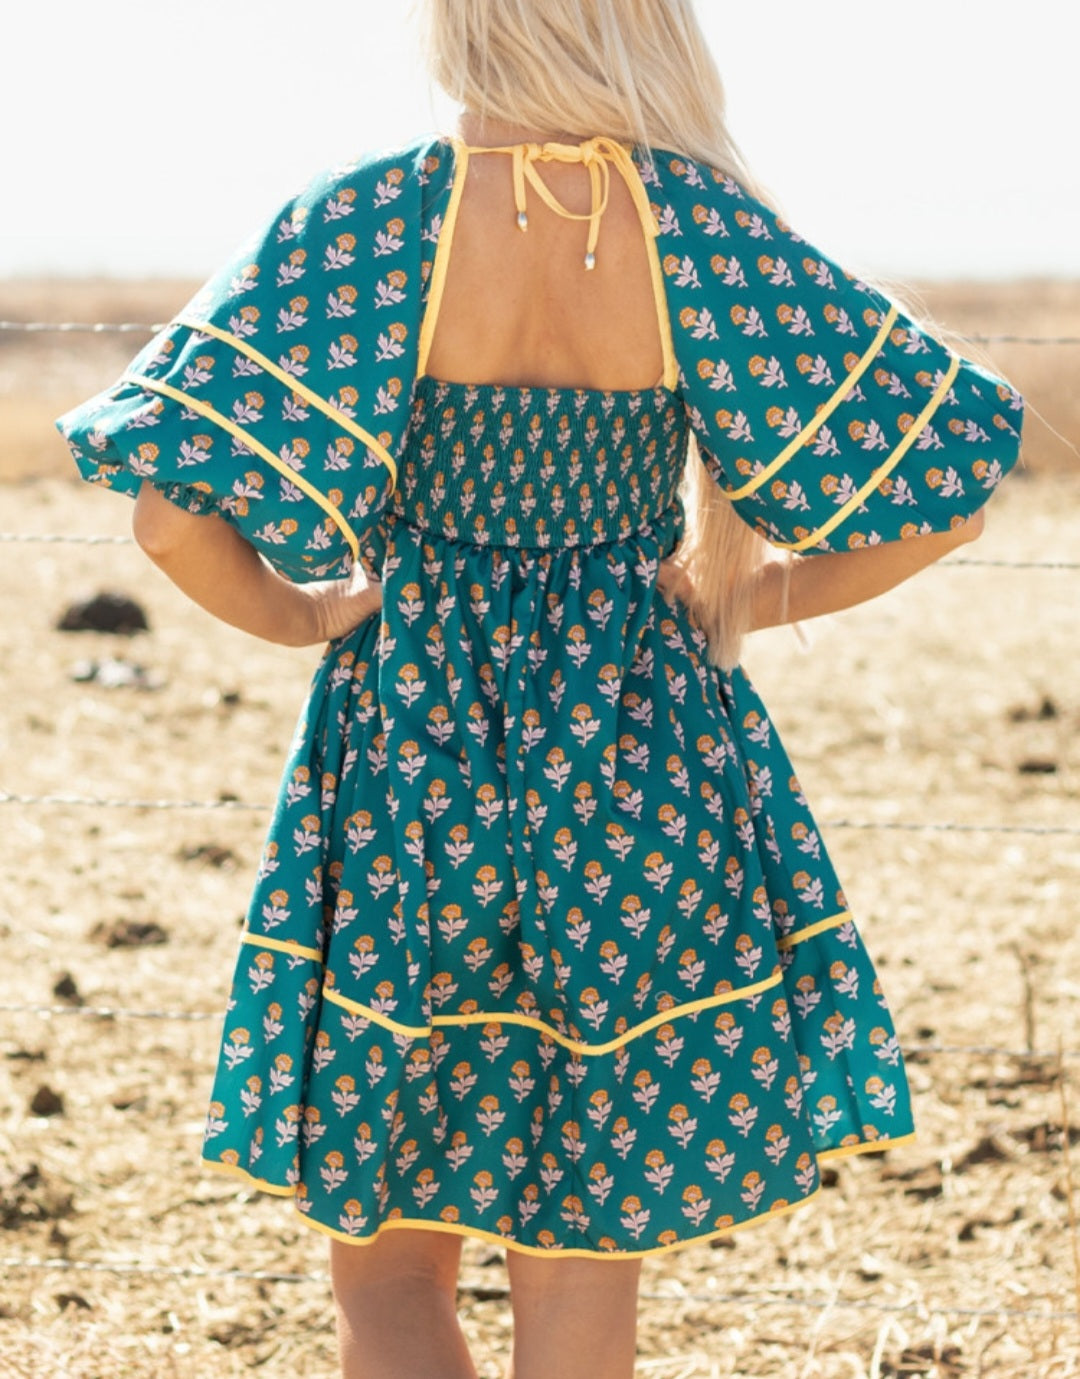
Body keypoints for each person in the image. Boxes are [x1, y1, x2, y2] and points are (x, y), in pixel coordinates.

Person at [57, 2, 1024, 1375]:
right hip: (642, 768)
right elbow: (951, 490)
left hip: (414, 775)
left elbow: (165, 519)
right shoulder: (699, 229)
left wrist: (308, 613)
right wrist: (746, 595)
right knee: (579, 1286)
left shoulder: (371, 222)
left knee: (388, 1285)